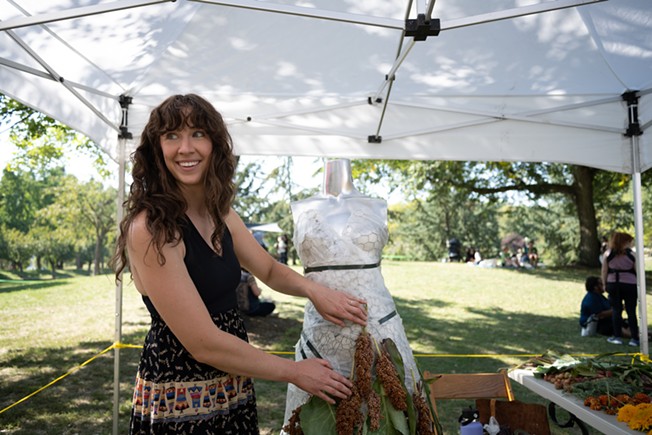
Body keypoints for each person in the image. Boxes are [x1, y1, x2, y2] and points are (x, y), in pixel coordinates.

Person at [110, 94, 367, 434]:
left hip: (231, 380)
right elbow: (203, 342)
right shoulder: (152, 228)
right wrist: (294, 371)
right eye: (172, 135)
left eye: (198, 134)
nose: (185, 147)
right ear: (157, 149)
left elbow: (271, 270)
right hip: (181, 395)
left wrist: (312, 290)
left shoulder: (222, 213)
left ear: (215, 144)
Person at [282, 158, 421, 427]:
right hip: (321, 335)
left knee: (389, 419)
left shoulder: (376, 206)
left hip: (379, 331)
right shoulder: (303, 208)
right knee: (316, 422)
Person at [601, 231, 639, 346]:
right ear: (624, 242)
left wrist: (604, 284)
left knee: (616, 311)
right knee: (631, 311)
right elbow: (637, 270)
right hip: (630, 285)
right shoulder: (631, 254)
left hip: (613, 284)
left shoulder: (608, 254)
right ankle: (634, 339)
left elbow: (604, 271)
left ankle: (617, 337)